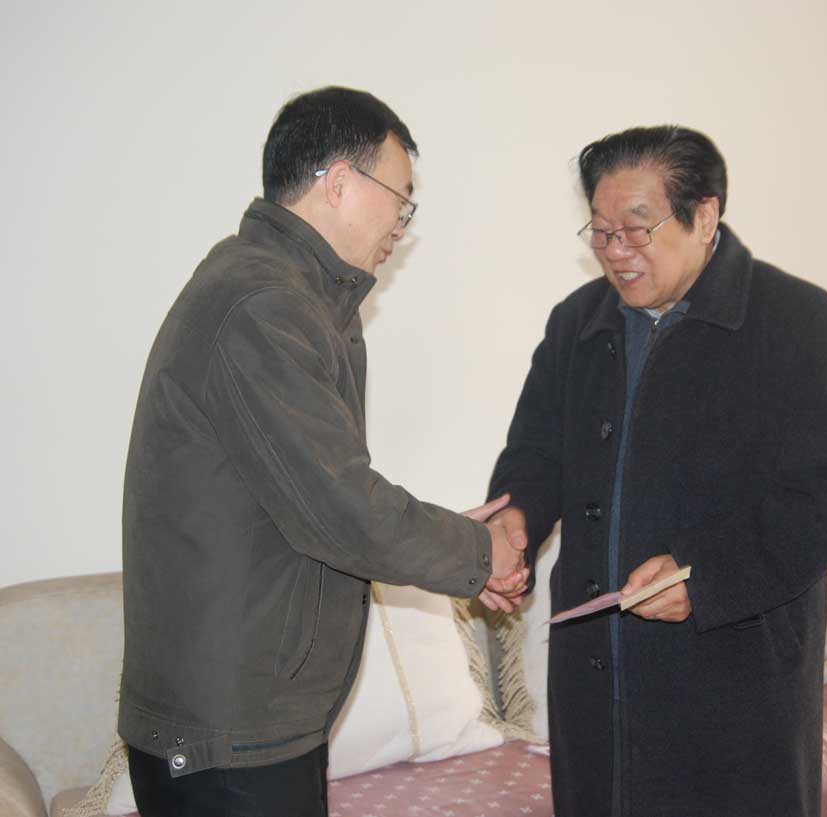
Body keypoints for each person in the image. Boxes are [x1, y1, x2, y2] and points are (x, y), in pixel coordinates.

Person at [118, 86, 527, 817]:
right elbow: (342, 509)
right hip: (229, 736)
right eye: (400, 200)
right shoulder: (263, 305)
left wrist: (452, 546)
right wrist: (477, 552)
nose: (402, 224)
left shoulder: (287, 294)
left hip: (250, 722)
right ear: (339, 182)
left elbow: (316, 491)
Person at [487, 125, 827, 817]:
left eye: (638, 229)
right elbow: (536, 452)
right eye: (600, 231)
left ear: (705, 215)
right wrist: (514, 518)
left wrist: (704, 574)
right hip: (594, 679)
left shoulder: (801, 322)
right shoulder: (577, 321)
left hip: (733, 685)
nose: (615, 251)